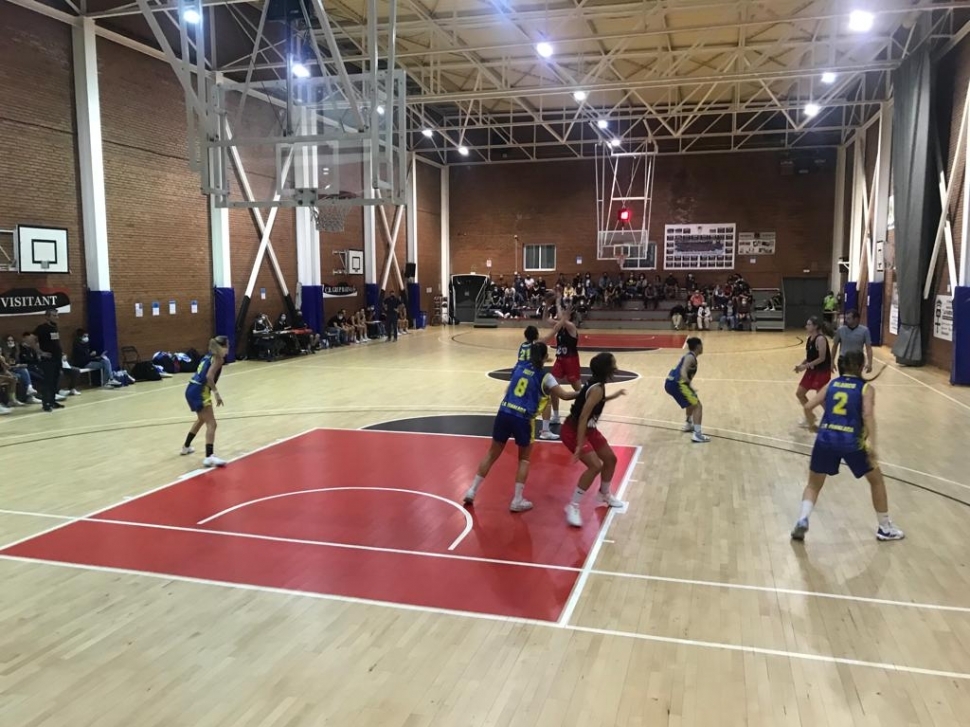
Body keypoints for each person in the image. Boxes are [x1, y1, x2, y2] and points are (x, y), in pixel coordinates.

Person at [790, 351, 904, 542]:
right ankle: (885, 527)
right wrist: (873, 445)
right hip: (852, 441)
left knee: (813, 485)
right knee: (876, 481)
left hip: (825, 439)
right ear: (861, 366)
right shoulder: (866, 388)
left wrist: (811, 424)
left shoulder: (832, 384)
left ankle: (802, 519)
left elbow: (808, 406)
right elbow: (868, 415)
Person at [463, 342, 578, 512]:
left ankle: (472, 491)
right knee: (524, 459)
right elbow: (565, 396)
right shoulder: (546, 377)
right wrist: (584, 392)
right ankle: (517, 500)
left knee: (492, 454)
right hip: (523, 418)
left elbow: (509, 389)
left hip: (504, 412)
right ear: (546, 357)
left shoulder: (518, 368)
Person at [559, 352, 627, 527]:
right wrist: (579, 444)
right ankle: (573, 506)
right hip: (573, 430)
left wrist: (614, 395)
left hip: (588, 428)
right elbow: (583, 416)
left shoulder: (597, 385)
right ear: (607, 368)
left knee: (610, 459)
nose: (615, 366)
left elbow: (595, 401)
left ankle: (604, 494)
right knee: (595, 466)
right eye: (613, 363)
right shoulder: (596, 388)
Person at [181, 335, 229, 468]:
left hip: (191, 388)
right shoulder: (218, 359)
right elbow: (209, 377)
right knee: (212, 424)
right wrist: (217, 394)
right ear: (223, 347)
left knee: (202, 419)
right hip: (200, 391)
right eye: (227, 345)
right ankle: (209, 457)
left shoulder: (208, 356)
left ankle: (186, 447)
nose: (228, 348)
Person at [664, 337, 710, 443]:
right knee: (698, 406)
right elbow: (683, 370)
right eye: (702, 345)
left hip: (670, 383)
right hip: (678, 384)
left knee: (691, 402)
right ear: (698, 346)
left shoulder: (689, 356)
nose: (703, 347)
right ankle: (697, 435)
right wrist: (689, 384)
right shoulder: (690, 358)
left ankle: (688, 424)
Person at [546, 294, 583, 424]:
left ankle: (585, 413)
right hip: (560, 360)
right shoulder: (560, 325)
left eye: (563, 313)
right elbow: (546, 319)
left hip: (571, 361)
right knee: (553, 387)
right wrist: (547, 304)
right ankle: (556, 416)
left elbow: (560, 317)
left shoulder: (571, 327)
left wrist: (557, 303)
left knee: (578, 390)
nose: (559, 314)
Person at [518, 325, 557, 440]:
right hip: (531, 375)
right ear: (536, 335)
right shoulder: (535, 347)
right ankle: (545, 431)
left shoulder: (522, 346)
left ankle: (518, 426)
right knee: (546, 400)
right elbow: (535, 359)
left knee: (521, 402)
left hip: (519, 375)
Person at [794, 316, 832, 428]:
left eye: (809, 324)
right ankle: (810, 416)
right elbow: (810, 357)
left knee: (820, 398)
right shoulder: (810, 338)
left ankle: (831, 420)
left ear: (815, 326)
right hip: (812, 371)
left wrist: (805, 366)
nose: (806, 326)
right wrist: (801, 365)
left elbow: (822, 358)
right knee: (800, 393)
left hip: (822, 371)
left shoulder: (820, 339)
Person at [33, 308, 65, 412]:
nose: (57, 317)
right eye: (54, 315)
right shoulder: (42, 328)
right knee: (48, 381)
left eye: (57, 315)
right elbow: (30, 339)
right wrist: (40, 352)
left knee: (55, 381)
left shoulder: (54, 327)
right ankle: (46, 403)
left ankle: (52, 401)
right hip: (48, 360)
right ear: (47, 317)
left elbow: (55, 342)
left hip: (57, 359)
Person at [830, 309, 873, 374]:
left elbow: (869, 348)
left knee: (856, 378)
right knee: (843, 378)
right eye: (846, 318)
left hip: (857, 360)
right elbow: (834, 346)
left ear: (856, 319)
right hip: (843, 359)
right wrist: (832, 362)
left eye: (849, 318)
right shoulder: (841, 330)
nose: (846, 320)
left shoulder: (864, 331)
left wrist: (870, 363)